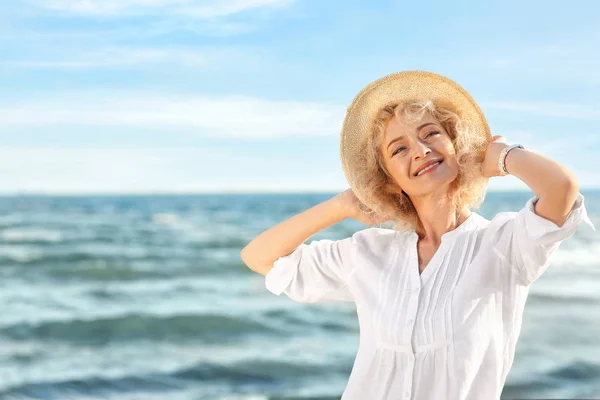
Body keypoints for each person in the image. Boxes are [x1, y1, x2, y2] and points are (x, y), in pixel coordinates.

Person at [240, 70, 596, 400]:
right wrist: (343, 205)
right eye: (399, 149)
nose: (421, 150)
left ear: (457, 145)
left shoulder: (503, 244)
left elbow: (561, 188)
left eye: (431, 134)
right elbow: (260, 257)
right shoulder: (368, 252)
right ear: (388, 177)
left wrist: (501, 156)